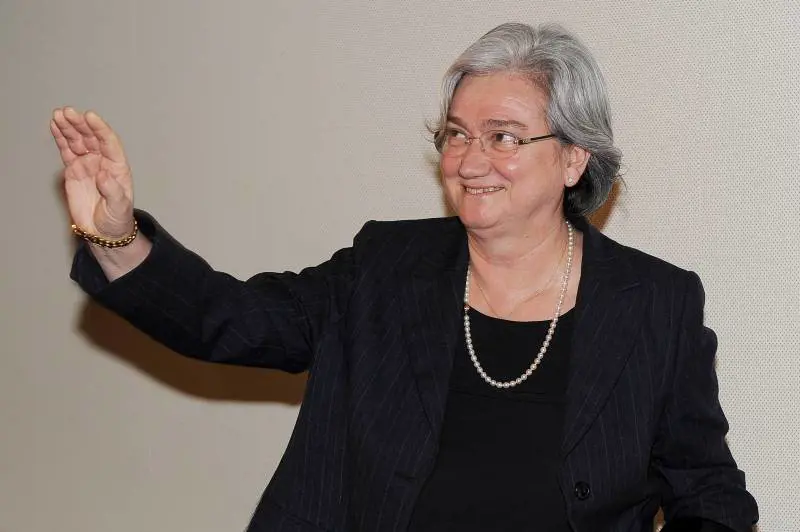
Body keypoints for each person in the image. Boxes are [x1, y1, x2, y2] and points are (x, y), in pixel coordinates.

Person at [52, 22, 758, 532]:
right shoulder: (385, 268)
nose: (470, 161)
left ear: (573, 159)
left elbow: (709, 493)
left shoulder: (656, 304)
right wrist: (115, 233)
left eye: (504, 136)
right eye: (457, 134)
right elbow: (228, 319)